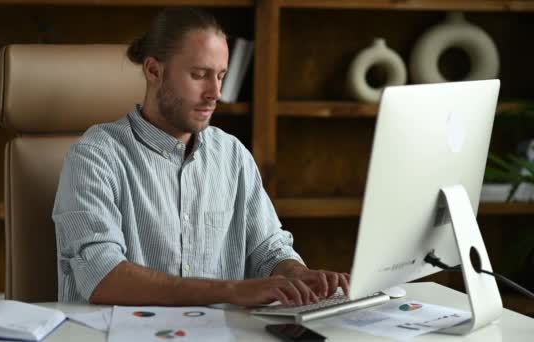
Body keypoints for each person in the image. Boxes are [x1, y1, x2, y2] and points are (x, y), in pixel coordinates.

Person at [52, 7, 349, 307]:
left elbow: (269, 249)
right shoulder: (94, 156)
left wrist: (297, 274)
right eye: (199, 75)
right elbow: (103, 277)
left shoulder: (232, 154)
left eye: (221, 76)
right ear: (153, 70)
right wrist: (232, 290)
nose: (215, 93)